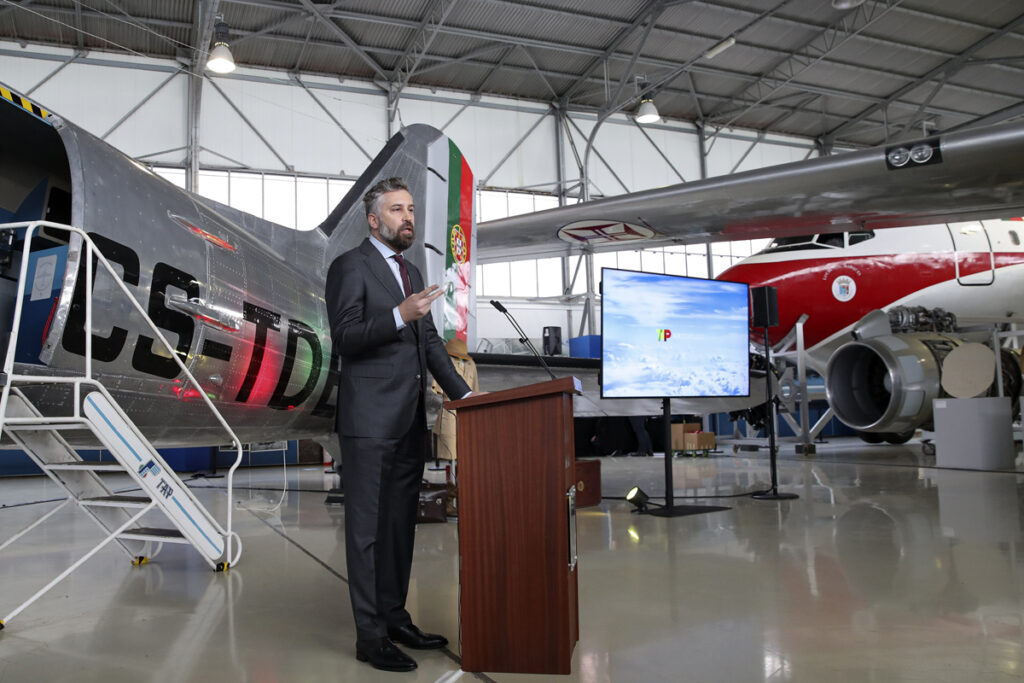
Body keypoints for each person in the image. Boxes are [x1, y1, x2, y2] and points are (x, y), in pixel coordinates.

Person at [325, 177, 474, 672]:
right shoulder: (350, 266)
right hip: (368, 422)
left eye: (410, 209)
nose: (407, 217)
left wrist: (465, 398)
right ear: (373, 220)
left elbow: (430, 343)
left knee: (397, 528)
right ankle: (370, 637)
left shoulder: (411, 270)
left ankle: (394, 617)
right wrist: (397, 315)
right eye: (396, 210)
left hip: (409, 421)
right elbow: (345, 337)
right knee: (366, 532)